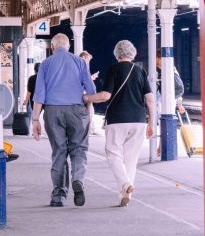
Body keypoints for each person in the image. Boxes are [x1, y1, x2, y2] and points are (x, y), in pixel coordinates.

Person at [86, 40, 155, 207]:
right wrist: (152, 122)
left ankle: (125, 184)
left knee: (113, 154)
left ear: (117, 54)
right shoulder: (140, 71)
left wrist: (86, 98)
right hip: (138, 120)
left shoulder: (113, 70)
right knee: (130, 159)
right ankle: (125, 194)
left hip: (117, 119)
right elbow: (150, 100)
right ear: (134, 53)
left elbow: (105, 96)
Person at [32, 34, 96, 208]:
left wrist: (35, 120)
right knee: (79, 149)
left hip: (52, 112)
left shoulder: (45, 64)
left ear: (52, 47)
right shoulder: (80, 62)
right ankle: (78, 180)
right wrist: (87, 111)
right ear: (68, 46)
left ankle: (58, 195)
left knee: (59, 152)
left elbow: (39, 95)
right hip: (76, 110)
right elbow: (91, 90)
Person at [156, 51, 186, 115]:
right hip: (161, 101)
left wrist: (179, 105)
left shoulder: (170, 70)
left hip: (166, 101)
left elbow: (178, 87)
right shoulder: (171, 70)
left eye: (157, 57)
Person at [79, 51, 99, 135]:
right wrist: (92, 78)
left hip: (85, 94)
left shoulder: (82, 66)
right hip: (83, 95)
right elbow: (82, 81)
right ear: (83, 57)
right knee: (89, 111)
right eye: (88, 59)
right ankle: (89, 129)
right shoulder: (81, 66)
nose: (88, 62)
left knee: (90, 111)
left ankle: (90, 128)